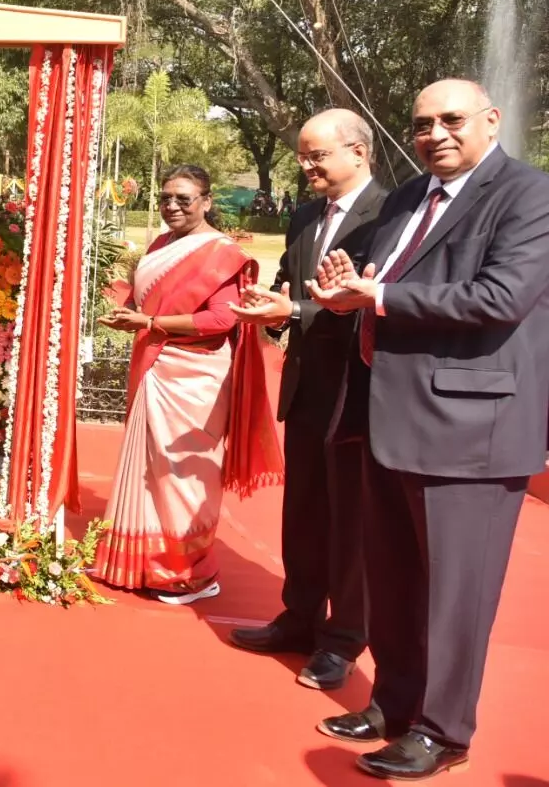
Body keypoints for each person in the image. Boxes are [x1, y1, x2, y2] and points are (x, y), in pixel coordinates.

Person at [304, 79, 549, 781]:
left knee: (455, 593)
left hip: (473, 427)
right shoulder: (409, 197)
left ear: (491, 120)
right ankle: (396, 702)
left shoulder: (529, 194)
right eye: (420, 124)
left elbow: (500, 297)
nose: (434, 133)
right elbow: (387, 281)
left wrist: (376, 293)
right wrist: (351, 285)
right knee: (397, 578)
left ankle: (445, 730)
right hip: (390, 416)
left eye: (450, 119)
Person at [228, 109, 385, 690]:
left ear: (357, 151)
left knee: (350, 520)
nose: (306, 165)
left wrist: (293, 310)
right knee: (304, 513)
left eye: (316, 155)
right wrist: (268, 310)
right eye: (302, 155)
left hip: (358, 390)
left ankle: (343, 640)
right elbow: (288, 289)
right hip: (306, 386)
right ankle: (299, 617)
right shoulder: (302, 216)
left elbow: (364, 300)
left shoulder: (389, 216)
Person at [92, 164, 281, 604]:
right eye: (165, 198)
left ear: (206, 202)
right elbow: (148, 303)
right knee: (146, 469)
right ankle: (137, 563)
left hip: (196, 376)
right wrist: (127, 312)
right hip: (155, 363)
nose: (172, 206)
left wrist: (151, 322)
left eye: (184, 198)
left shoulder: (222, 253)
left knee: (184, 474)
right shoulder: (160, 244)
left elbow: (221, 319)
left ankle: (190, 574)